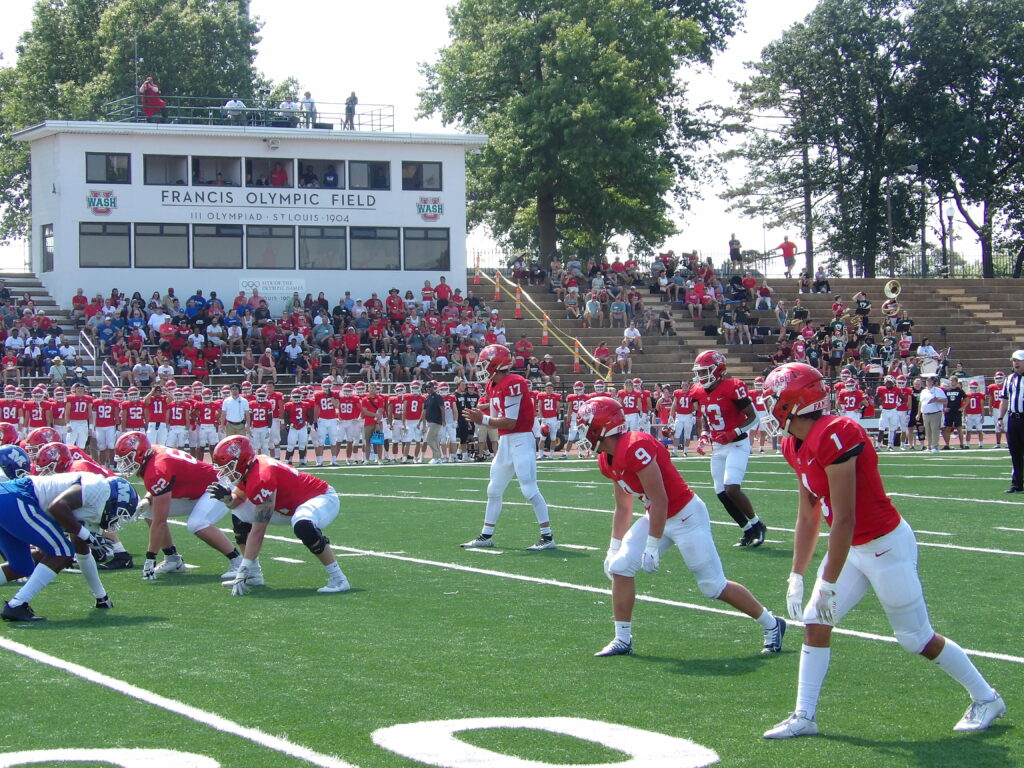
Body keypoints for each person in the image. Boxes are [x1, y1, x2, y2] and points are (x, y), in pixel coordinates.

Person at [759, 362, 1006, 739]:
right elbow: (808, 517)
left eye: (773, 398)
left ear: (794, 401)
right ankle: (804, 715)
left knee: (916, 639)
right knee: (815, 622)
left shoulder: (837, 433)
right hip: (854, 549)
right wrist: (796, 573)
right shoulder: (793, 444)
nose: (767, 406)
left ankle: (986, 697)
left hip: (884, 546)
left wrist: (826, 581)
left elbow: (845, 518)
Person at [577, 397, 786, 657]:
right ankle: (622, 639)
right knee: (620, 567)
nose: (581, 431)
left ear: (601, 427)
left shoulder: (634, 446)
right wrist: (613, 547)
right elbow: (623, 506)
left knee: (713, 586)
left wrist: (652, 545)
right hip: (658, 516)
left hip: (686, 516)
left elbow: (661, 498)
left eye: (585, 425)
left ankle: (772, 624)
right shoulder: (606, 459)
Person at [210, 435, 350, 594]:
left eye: (228, 467)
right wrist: (228, 500)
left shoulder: (262, 476)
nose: (224, 472)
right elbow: (238, 499)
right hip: (289, 506)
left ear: (242, 461)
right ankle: (253, 575)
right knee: (239, 513)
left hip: (321, 498)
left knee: (302, 524)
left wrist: (242, 568)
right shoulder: (250, 469)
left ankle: (338, 579)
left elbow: (258, 531)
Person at [0, 471, 137, 621]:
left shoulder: (92, 509)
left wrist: (101, 596)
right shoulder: (99, 487)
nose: (114, 520)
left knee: (21, 567)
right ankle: (16, 605)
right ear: (114, 500)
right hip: (16, 497)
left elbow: (83, 554)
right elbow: (57, 507)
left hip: (8, 500)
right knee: (61, 551)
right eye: (118, 513)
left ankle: (16, 605)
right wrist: (87, 536)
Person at [113, 431, 245, 580]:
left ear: (141, 453)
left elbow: (160, 521)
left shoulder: (157, 467)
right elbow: (165, 482)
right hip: (195, 490)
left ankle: (238, 562)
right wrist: (147, 499)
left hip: (217, 487)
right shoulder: (152, 454)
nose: (124, 464)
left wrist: (150, 557)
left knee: (197, 524)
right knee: (149, 510)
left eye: (128, 458)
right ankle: (172, 559)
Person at [461, 344, 555, 550]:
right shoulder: (492, 385)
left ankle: (547, 537)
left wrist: (483, 418)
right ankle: (486, 536)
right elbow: (498, 413)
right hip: (505, 442)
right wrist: (484, 413)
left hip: (521, 439)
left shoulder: (514, 382)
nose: (481, 368)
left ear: (496, 364)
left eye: (485, 364)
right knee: (493, 488)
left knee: (529, 489)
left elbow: (510, 421)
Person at [690, 350, 765, 547]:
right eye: (699, 372)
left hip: (737, 444)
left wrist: (734, 432)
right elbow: (706, 418)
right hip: (718, 446)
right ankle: (747, 529)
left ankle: (757, 525)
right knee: (721, 492)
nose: (700, 376)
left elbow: (753, 417)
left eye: (705, 371)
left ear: (718, 370)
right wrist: (704, 434)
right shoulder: (698, 391)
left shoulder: (733, 387)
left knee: (732, 488)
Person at [999, 350, 1024, 493]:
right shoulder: (1009, 379)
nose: (1015, 363)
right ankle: (1016, 484)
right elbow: (1004, 400)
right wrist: (1000, 418)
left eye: (1018, 360)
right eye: (1014, 360)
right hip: (1013, 419)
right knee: (1015, 453)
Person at [919, 375, 947, 453]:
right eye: (927, 381)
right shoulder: (923, 391)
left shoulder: (938, 390)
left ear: (933, 382)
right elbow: (921, 402)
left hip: (935, 413)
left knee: (935, 430)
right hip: (925, 413)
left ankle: (934, 446)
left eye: (930, 381)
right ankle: (929, 446)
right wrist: (919, 413)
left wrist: (936, 400)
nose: (928, 382)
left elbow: (945, 400)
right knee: (928, 431)